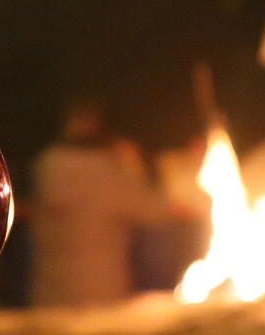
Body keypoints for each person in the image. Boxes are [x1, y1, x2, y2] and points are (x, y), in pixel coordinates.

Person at [30, 93, 165, 307]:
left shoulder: (47, 164)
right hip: (101, 292)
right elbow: (155, 211)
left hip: (51, 293)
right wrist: (133, 166)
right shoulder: (108, 170)